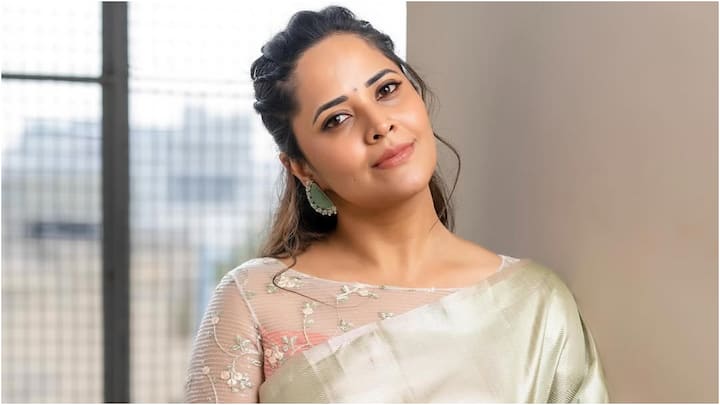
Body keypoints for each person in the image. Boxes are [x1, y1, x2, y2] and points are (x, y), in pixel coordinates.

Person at [184, 5, 609, 403]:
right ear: (302, 167)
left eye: (386, 90)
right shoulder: (254, 301)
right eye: (337, 119)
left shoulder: (535, 305)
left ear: (417, 96)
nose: (379, 124)